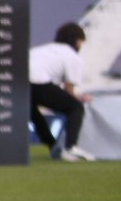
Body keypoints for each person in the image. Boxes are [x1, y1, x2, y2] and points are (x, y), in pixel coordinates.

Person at [30, 22, 94, 161]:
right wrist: (79, 99)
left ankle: (53, 146)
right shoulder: (72, 56)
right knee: (76, 107)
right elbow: (68, 89)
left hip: (17, 83)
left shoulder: (41, 49)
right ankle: (71, 147)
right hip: (38, 82)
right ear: (77, 41)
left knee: (32, 112)